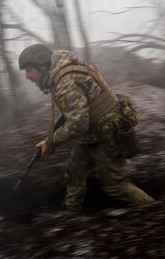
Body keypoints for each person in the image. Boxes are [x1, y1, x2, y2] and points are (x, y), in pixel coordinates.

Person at [18, 43, 155, 211]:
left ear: (41, 65)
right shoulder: (63, 72)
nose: (27, 76)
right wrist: (50, 140)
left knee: (116, 186)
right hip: (92, 133)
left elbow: (78, 124)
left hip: (105, 133)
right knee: (74, 172)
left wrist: (51, 141)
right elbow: (75, 115)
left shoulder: (65, 83)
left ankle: (157, 211)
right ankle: (71, 215)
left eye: (29, 70)